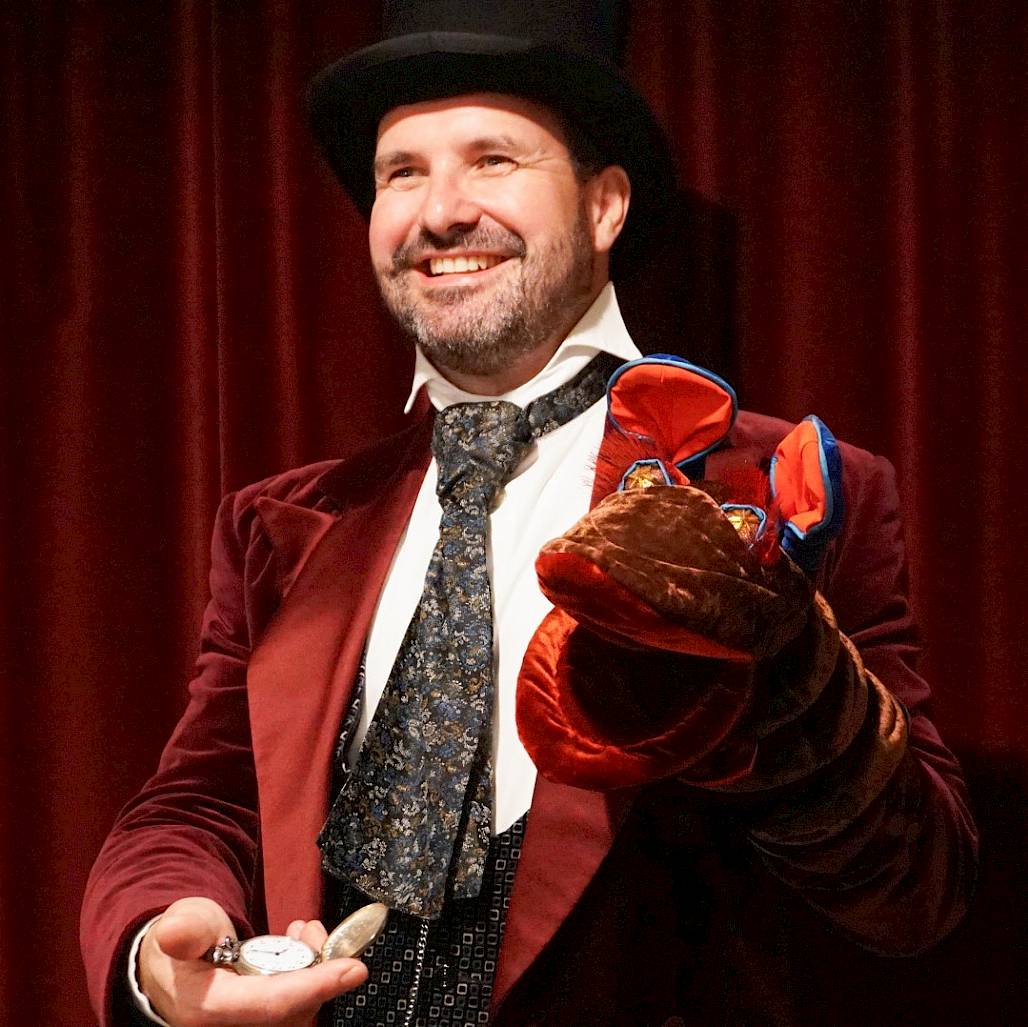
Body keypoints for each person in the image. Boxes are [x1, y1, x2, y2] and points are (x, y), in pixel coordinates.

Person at [81, 3, 978, 1025]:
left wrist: (782, 671)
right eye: (400, 173)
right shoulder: (280, 526)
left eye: (493, 160)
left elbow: (919, 891)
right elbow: (199, 804)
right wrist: (157, 949)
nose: (439, 212)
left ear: (603, 206)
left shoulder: (779, 488)